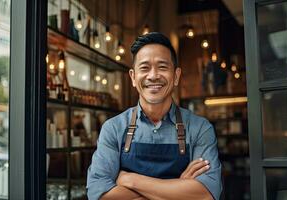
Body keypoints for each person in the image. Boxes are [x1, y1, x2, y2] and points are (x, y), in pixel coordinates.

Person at [86, 32, 222, 200]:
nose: (153, 76)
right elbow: (98, 194)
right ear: (133, 77)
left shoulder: (200, 128)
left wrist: (130, 179)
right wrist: (178, 187)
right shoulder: (113, 128)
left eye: (162, 67)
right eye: (144, 68)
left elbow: (205, 194)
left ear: (176, 76)